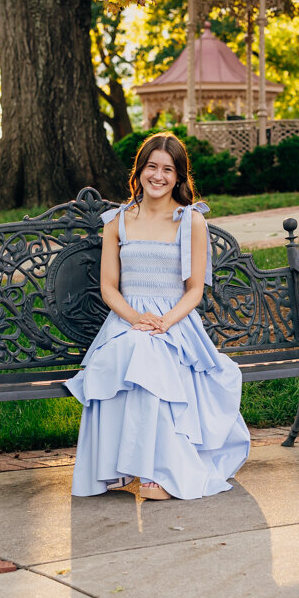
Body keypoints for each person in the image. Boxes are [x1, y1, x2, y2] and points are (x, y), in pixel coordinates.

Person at [65, 132, 250, 501]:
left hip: (175, 322)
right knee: (132, 350)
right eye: (152, 167)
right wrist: (136, 318)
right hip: (126, 320)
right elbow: (108, 288)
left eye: (168, 169)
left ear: (179, 177)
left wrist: (164, 323)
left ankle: (160, 472)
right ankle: (116, 470)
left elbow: (195, 290)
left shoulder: (190, 222)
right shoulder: (117, 220)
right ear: (140, 171)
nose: (159, 176)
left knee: (151, 353)